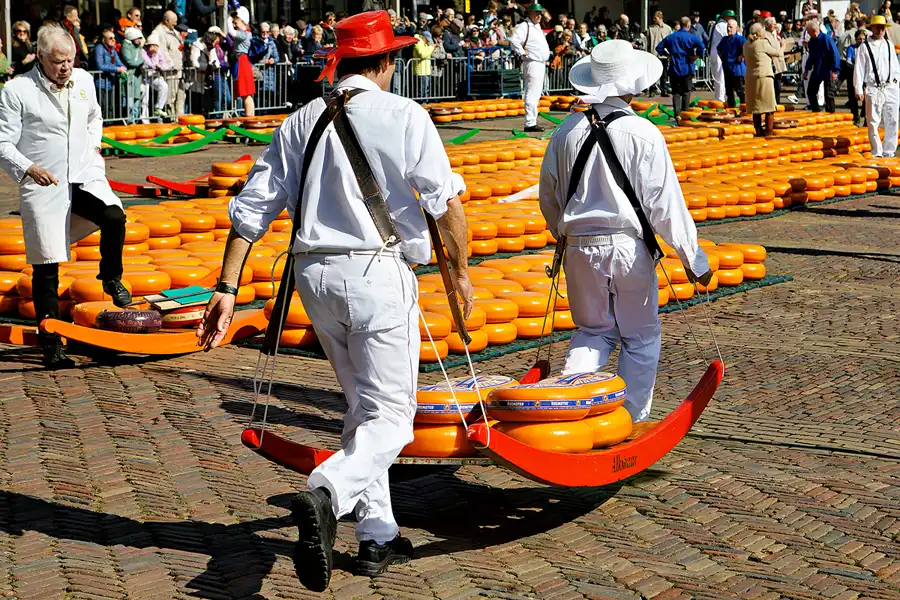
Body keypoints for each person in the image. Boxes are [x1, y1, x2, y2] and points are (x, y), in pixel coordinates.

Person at [197, 9, 472, 592]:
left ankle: (376, 535)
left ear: (341, 61)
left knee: (362, 408)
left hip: (312, 276)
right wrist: (462, 276)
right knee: (394, 420)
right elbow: (445, 202)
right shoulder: (403, 115)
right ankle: (327, 493)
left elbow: (251, 211)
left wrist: (225, 288)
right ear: (386, 62)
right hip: (376, 271)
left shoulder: (300, 121)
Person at [539, 39, 710, 425]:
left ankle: (572, 409)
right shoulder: (643, 132)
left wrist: (563, 233)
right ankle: (629, 419)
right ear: (631, 85)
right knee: (639, 335)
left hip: (579, 247)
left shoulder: (564, 132)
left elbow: (548, 197)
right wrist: (692, 257)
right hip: (627, 247)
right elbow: (665, 203)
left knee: (593, 330)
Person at [0, 24, 130, 369]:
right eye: (59, 61)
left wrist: (95, 144)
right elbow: (2, 142)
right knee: (47, 265)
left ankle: (111, 275)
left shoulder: (84, 80)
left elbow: (93, 117)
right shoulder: (17, 90)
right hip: (44, 183)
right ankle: (50, 342)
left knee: (115, 216)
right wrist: (28, 167)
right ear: (41, 57)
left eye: (70, 60)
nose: (66, 67)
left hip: (84, 175)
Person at [854, 15, 900, 156]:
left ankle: (889, 150)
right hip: (873, 87)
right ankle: (877, 151)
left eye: (883, 28)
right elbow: (859, 68)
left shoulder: (889, 45)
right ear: (872, 28)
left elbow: (895, 66)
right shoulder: (864, 47)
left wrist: (897, 83)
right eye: (878, 27)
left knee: (892, 119)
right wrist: (858, 88)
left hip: (890, 86)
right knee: (873, 121)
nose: (880, 30)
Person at [508, 3, 551, 132]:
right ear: (530, 14)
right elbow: (514, 40)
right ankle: (530, 122)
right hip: (532, 62)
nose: (539, 16)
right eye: (536, 13)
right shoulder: (524, 26)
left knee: (536, 93)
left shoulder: (536, 26)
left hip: (539, 62)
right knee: (532, 93)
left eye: (539, 13)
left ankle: (532, 121)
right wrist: (521, 52)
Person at [656, 17, 705, 118]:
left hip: (674, 67)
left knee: (676, 93)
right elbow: (702, 46)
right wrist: (696, 56)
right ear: (688, 25)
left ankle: (677, 115)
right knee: (686, 92)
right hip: (687, 66)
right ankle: (685, 113)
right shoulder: (691, 37)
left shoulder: (670, 37)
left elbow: (659, 47)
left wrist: (667, 54)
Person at [744, 22, 780, 136]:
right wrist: (781, 44)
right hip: (764, 77)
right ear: (760, 33)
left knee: (756, 107)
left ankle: (758, 130)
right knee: (768, 106)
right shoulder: (762, 43)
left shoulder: (746, 45)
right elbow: (777, 52)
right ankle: (768, 131)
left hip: (751, 78)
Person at [151, 11, 185, 116]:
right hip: (171, 71)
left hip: (179, 69)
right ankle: (171, 119)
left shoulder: (172, 31)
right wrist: (172, 65)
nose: (176, 24)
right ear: (166, 21)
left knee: (180, 95)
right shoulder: (159, 33)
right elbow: (163, 52)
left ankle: (180, 117)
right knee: (170, 97)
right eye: (174, 22)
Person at [804, 18, 840, 112]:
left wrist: (835, 70)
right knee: (811, 91)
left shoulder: (826, 39)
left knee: (829, 95)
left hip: (828, 70)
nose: (808, 34)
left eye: (809, 32)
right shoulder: (812, 42)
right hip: (818, 70)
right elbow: (811, 57)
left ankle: (831, 114)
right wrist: (806, 70)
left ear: (814, 31)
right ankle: (816, 111)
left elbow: (835, 54)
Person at [231, 6, 256, 116]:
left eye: (236, 23)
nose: (234, 25)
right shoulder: (246, 33)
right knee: (246, 93)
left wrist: (228, 16)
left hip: (243, 61)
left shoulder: (244, 33)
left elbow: (231, 32)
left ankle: (249, 117)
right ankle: (250, 115)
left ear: (243, 22)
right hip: (242, 61)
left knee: (246, 92)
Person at [717, 19, 746, 108]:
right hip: (727, 67)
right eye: (727, 27)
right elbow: (718, 48)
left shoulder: (739, 39)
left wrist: (742, 55)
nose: (728, 29)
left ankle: (744, 107)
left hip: (737, 68)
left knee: (739, 90)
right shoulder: (724, 39)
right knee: (729, 91)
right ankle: (731, 108)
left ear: (736, 28)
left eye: (731, 27)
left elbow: (748, 47)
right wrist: (722, 57)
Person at [142, 34, 171, 120]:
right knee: (144, 99)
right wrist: (156, 64)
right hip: (143, 77)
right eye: (153, 45)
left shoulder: (158, 51)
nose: (155, 47)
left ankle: (159, 108)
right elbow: (148, 63)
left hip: (153, 76)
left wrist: (160, 66)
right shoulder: (143, 51)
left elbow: (163, 63)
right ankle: (144, 119)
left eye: (156, 45)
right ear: (148, 45)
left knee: (164, 86)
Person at [845, 28, 869, 125]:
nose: (862, 41)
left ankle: (866, 116)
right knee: (853, 97)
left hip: (866, 76)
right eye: (859, 39)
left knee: (867, 98)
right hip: (853, 74)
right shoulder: (851, 48)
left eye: (863, 39)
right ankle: (855, 116)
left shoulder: (867, 48)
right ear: (856, 39)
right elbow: (849, 61)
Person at [708, 10, 733, 102]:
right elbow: (727, 35)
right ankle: (720, 98)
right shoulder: (722, 25)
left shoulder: (715, 25)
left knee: (718, 76)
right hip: (718, 52)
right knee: (720, 76)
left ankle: (718, 96)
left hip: (714, 51)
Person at [646, 11, 672, 96]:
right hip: (653, 53)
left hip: (664, 54)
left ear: (660, 18)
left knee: (664, 73)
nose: (654, 20)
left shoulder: (667, 28)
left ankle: (664, 90)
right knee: (653, 72)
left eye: (655, 18)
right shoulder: (650, 28)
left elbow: (669, 41)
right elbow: (648, 42)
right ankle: (652, 90)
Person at [764, 16, 787, 104]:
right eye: (772, 24)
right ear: (767, 25)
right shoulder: (765, 35)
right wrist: (783, 47)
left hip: (778, 63)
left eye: (774, 24)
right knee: (770, 86)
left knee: (777, 86)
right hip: (770, 63)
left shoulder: (777, 35)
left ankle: (777, 103)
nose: (774, 25)